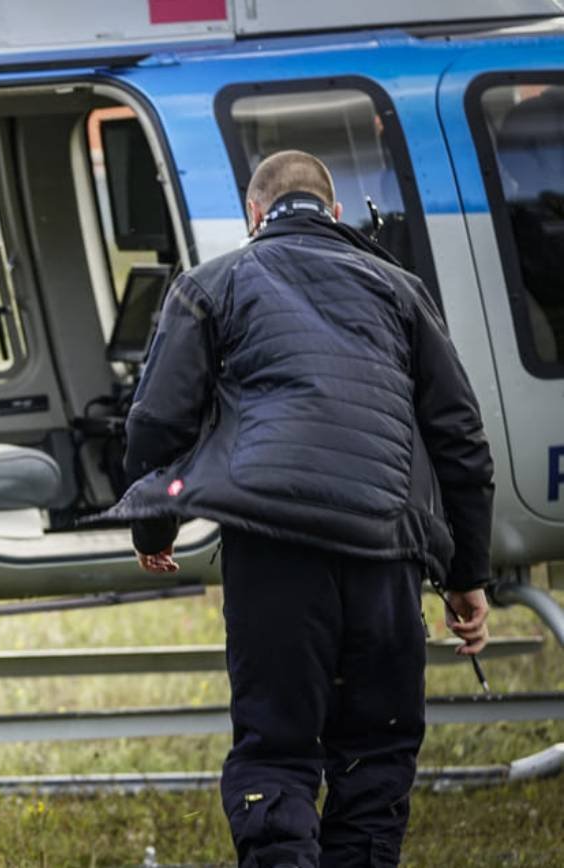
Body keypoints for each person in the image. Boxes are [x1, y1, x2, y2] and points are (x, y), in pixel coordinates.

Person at [109, 150, 493, 866]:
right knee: (375, 752)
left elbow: (156, 423)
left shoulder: (211, 284)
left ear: (255, 215)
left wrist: (152, 525)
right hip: (385, 548)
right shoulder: (400, 289)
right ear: (337, 213)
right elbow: (459, 438)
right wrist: (468, 575)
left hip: (275, 548)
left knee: (277, 749)